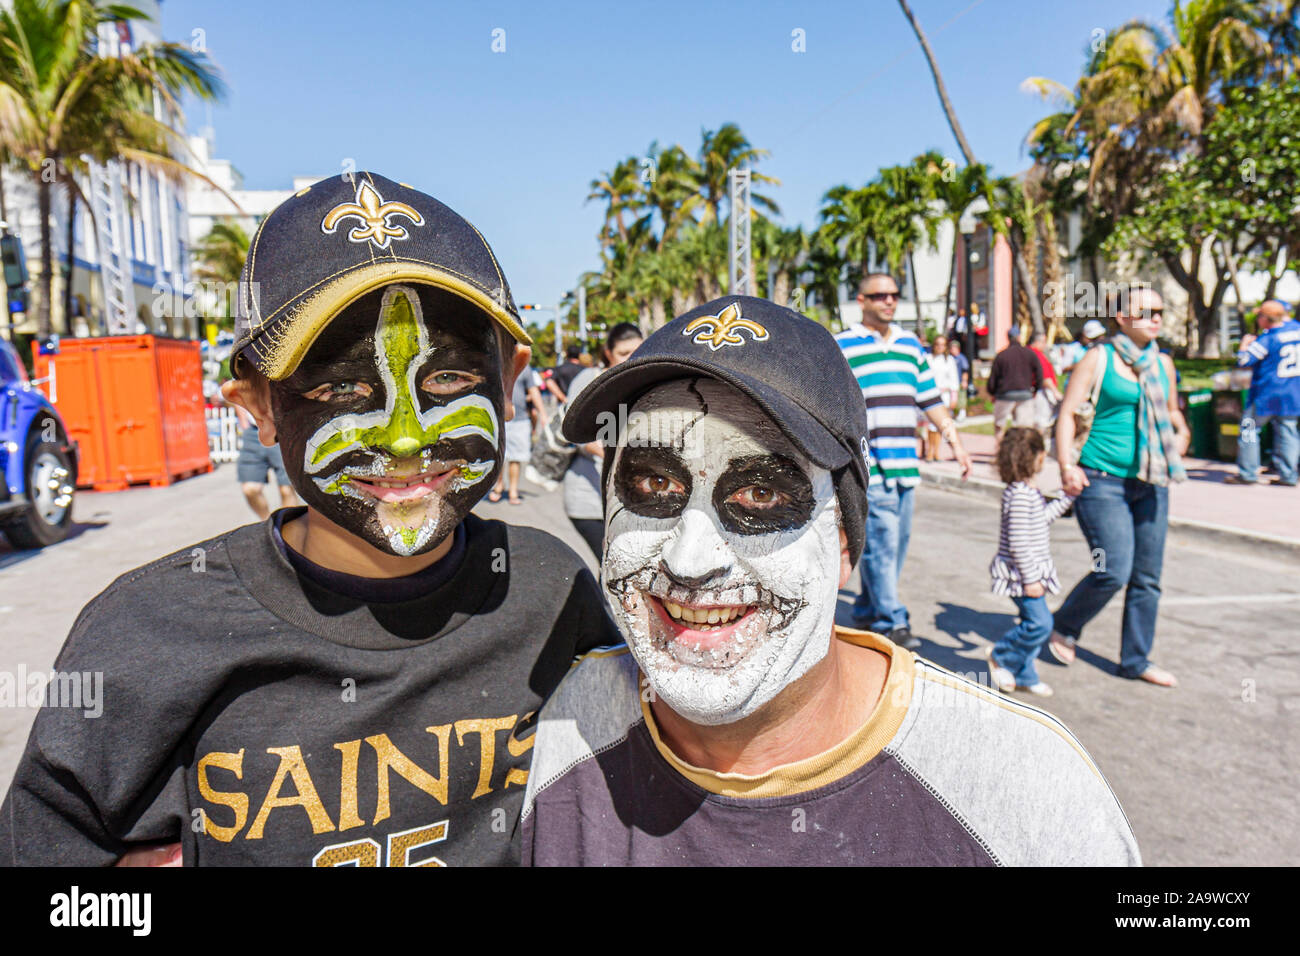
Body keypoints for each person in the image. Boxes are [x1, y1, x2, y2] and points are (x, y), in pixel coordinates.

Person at [0, 172, 620, 866]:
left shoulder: (550, 589)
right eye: (342, 387)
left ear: (508, 384)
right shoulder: (146, 634)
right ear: (259, 406)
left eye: (448, 379)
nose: (407, 438)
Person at [521, 295, 1140, 866]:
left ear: (845, 543)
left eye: (759, 492)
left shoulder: (1023, 792)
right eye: (654, 485)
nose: (689, 560)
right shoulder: (561, 725)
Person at [1050, 286, 1189, 688]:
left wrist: (1181, 436)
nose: (1156, 317)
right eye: (1146, 310)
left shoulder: (1162, 363)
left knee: (1148, 576)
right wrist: (1065, 465)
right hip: (1101, 478)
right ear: (1122, 316)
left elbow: (1173, 413)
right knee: (1112, 568)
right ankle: (1064, 623)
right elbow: (1067, 413)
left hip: (1152, 479)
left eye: (1160, 310)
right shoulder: (1099, 357)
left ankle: (1136, 660)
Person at [835, 274, 971, 650]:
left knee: (896, 546)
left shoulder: (911, 345)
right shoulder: (843, 344)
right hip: (868, 467)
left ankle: (865, 605)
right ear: (861, 300)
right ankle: (890, 619)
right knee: (881, 541)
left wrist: (954, 441)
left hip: (906, 465)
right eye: (880, 295)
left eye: (894, 295)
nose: (889, 302)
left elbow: (930, 399)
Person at [987, 428, 1077, 698]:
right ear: (1034, 457)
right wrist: (1031, 580)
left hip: (1028, 573)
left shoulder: (1027, 491)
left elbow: (1042, 520)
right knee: (1040, 624)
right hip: (1020, 576)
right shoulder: (1019, 495)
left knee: (1034, 622)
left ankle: (1025, 674)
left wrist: (1068, 497)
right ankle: (1001, 654)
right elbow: (1018, 543)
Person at [562, 322, 643, 561]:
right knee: (611, 563)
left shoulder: (644, 380)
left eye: (637, 351)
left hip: (630, 502)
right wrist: (617, 457)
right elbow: (575, 433)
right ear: (608, 352)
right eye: (624, 353)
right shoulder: (589, 378)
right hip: (589, 499)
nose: (631, 358)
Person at [1229, 300, 1299, 487]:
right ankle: (1289, 474)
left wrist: (1244, 346)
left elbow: (1244, 361)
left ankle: (1248, 473)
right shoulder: (1296, 330)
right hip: (1292, 393)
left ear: (1265, 319)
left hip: (1266, 395)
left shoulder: (1268, 338)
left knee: (1249, 429)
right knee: (1288, 432)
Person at [490, 363, 547, 504]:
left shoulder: (524, 367)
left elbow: (533, 391)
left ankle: (513, 490)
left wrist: (543, 413)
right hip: (497, 418)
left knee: (516, 457)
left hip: (520, 419)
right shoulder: (495, 363)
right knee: (499, 456)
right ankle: (499, 486)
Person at [233, 401, 299, 519]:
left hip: (282, 429)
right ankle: (268, 524)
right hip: (254, 431)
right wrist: (244, 422)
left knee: (286, 489)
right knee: (250, 489)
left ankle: (286, 526)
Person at [988, 324, 1044, 442]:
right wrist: (1035, 389)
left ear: (1008, 338)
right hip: (1024, 394)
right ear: (1019, 337)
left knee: (1000, 426)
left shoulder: (1002, 355)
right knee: (1023, 427)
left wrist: (992, 392)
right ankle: (1022, 453)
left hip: (1005, 394)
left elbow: (993, 378)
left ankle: (1000, 450)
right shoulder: (1029, 354)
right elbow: (1039, 374)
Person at [923, 334, 959, 461]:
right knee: (929, 424)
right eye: (938, 344)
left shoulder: (949, 360)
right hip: (929, 394)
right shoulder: (928, 359)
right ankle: (929, 451)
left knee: (941, 424)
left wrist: (954, 397)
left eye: (943, 345)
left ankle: (936, 451)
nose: (940, 347)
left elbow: (954, 380)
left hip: (944, 395)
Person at [1029, 331, 1063, 437]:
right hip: (1041, 391)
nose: (1045, 345)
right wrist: (1055, 392)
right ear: (1037, 342)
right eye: (1044, 342)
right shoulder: (1036, 354)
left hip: (1033, 391)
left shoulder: (1030, 353)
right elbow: (1045, 377)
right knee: (1042, 422)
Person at [948, 336, 971, 419]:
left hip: (960, 381)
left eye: (954, 348)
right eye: (951, 348)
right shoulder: (949, 358)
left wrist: (964, 381)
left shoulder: (961, 358)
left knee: (961, 398)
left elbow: (965, 370)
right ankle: (950, 413)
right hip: (951, 383)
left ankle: (962, 413)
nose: (952, 349)